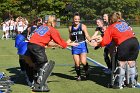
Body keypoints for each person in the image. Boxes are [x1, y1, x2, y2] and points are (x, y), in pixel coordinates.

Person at [27, 15, 78, 92]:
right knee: (46, 65)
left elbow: (48, 42)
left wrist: (65, 44)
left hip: (30, 45)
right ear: (53, 22)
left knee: (37, 65)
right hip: (37, 47)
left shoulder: (42, 27)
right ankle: (40, 84)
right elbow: (59, 41)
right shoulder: (52, 30)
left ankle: (35, 82)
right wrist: (66, 45)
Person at [91, 11, 139, 89]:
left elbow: (106, 41)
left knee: (121, 64)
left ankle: (118, 84)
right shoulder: (124, 23)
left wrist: (98, 44)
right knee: (131, 62)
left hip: (124, 44)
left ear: (110, 20)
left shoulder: (110, 27)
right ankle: (132, 83)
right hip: (135, 42)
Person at [67, 12, 91, 81]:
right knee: (77, 63)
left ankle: (86, 71)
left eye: (78, 19)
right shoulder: (70, 28)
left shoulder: (83, 26)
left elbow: (87, 35)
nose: (76, 20)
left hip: (82, 45)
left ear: (79, 19)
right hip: (74, 46)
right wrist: (65, 43)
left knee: (83, 62)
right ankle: (79, 76)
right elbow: (70, 38)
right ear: (73, 19)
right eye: (75, 19)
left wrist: (90, 40)